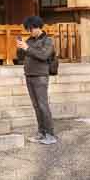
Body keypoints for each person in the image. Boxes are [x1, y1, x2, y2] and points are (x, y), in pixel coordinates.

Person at [16, 16, 57, 145]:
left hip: (40, 76)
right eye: (28, 29)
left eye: (31, 28)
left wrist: (28, 48)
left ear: (38, 27)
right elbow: (20, 58)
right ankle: (41, 132)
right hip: (29, 75)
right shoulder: (29, 40)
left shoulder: (48, 41)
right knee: (36, 106)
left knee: (43, 105)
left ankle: (50, 134)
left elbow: (44, 55)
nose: (30, 31)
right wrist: (20, 48)